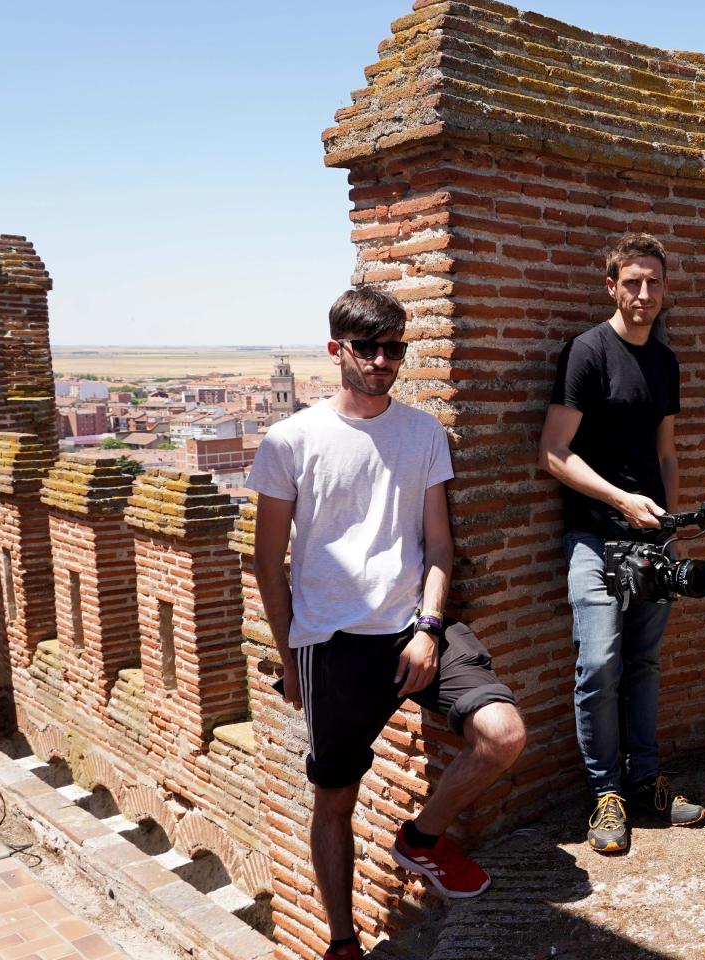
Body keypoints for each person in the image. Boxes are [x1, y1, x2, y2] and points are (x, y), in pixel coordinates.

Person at [248, 288, 527, 960]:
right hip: (333, 644)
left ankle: (421, 839)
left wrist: (430, 627)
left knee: (503, 733)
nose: (381, 360)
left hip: (414, 627)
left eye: (393, 348)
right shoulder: (291, 441)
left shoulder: (422, 433)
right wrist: (291, 663)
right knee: (335, 800)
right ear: (335, 349)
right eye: (367, 347)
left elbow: (439, 546)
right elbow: (266, 564)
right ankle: (342, 942)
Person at [538, 233, 705, 855]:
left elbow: (666, 453)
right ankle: (605, 793)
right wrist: (620, 501)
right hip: (595, 538)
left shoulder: (664, 361)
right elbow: (554, 453)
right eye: (631, 283)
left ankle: (645, 782)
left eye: (653, 283)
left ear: (665, 289)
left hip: (650, 540)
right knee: (599, 665)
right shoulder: (587, 353)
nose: (643, 294)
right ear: (611, 286)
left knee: (644, 664)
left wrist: (670, 528)